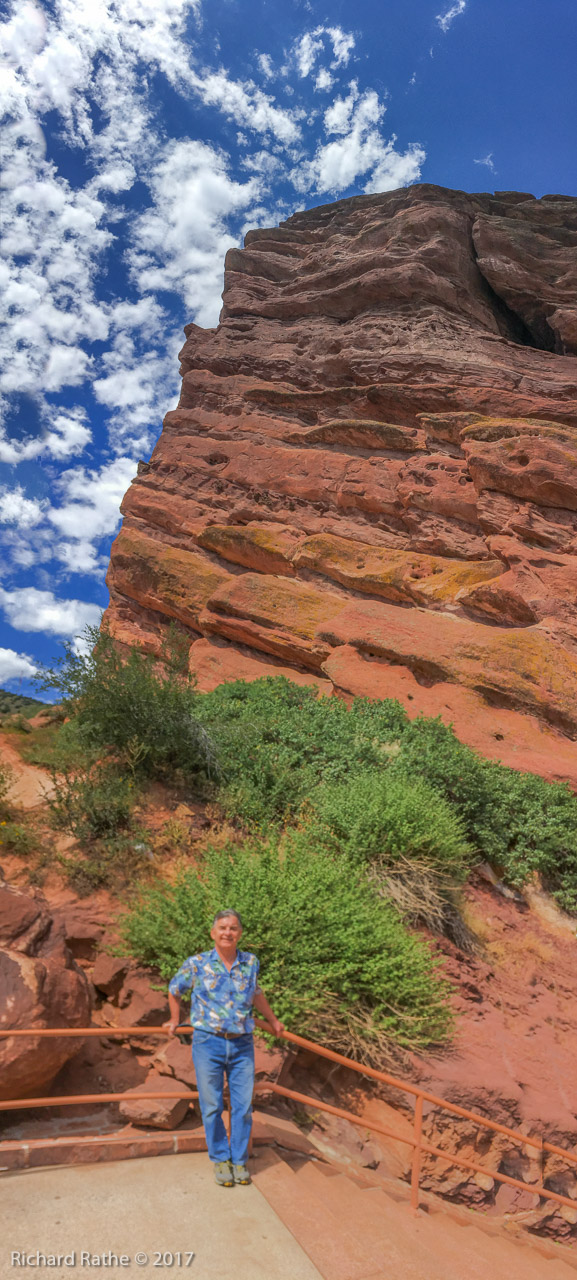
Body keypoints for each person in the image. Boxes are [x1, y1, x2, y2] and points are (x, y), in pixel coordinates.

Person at [165, 909, 284, 1187]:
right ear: (213, 933)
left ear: (239, 933)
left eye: (233, 928)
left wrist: (273, 1020)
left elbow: (255, 993)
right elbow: (174, 990)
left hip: (242, 1044)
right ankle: (220, 1159)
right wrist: (174, 1019)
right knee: (212, 1105)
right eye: (222, 928)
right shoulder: (197, 963)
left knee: (243, 1107)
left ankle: (239, 1161)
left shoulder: (250, 962)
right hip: (208, 1042)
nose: (227, 932)